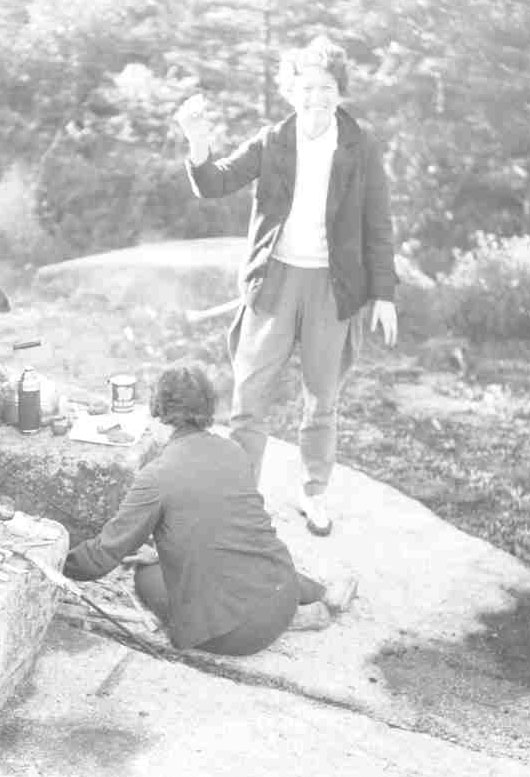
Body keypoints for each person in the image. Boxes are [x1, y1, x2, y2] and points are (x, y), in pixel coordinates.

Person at [174, 36, 398, 536]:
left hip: (334, 288)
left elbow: (378, 221)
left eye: (326, 87)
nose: (315, 96)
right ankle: (239, 500)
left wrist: (384, 293)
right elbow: (214, 181)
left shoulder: (360, 147)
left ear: (340, 93)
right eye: (306, 87)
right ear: (290, 91)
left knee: (322, 399)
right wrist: (197, 138)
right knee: (249, 397)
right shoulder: (273, 140)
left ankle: (313, 492)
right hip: (273, 280)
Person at [63, 364, 355, 657]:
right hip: (284, 591)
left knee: (146, 576)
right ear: (209, 406)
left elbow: (102, 557)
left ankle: (285, 620)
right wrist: (164, 552)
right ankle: (321, 596)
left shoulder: (156, 477)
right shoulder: (233, 451)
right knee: (249, 549)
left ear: (157, 409)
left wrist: (57, 560)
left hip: (238, 635)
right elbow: (224, 527)